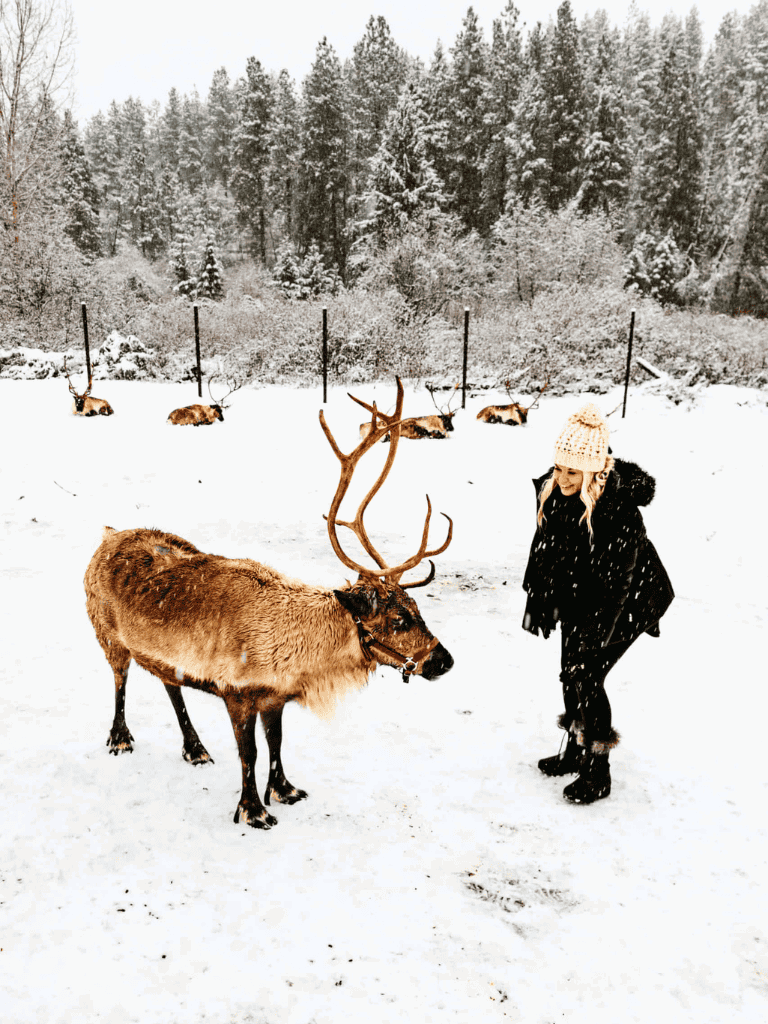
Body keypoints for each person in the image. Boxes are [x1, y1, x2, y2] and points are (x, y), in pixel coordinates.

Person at [522, 402, 674, 804]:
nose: (563, 478)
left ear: (593, 470)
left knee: (587, 675)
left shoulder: (619, 509)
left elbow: (617, 585)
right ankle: (575, 748)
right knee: (567, 671)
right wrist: (539, 595)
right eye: (559, 468)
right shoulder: (551, 490)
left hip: (630, 601)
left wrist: (594, 633)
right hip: (581, 591)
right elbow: (545, 547)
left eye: (573, 471)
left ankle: (598, 769)